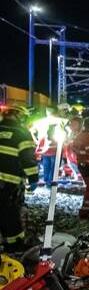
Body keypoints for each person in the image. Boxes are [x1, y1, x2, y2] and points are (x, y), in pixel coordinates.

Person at [0, 104, 37, 253]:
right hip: (8, 185)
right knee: (11, 219)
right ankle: (14, 249)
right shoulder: (21, 132)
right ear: (19, 115)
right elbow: (27, 159)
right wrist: (33, 177)